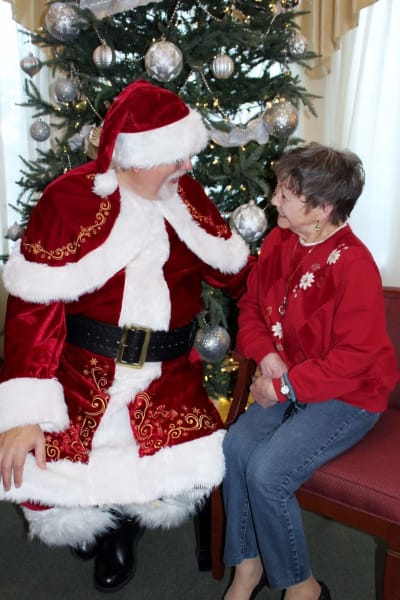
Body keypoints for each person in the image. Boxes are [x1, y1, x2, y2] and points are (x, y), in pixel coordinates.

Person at [0, 80, 253, 593]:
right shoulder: (69, 200)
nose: (186, 167)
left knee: (182, 460)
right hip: (82, 374)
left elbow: (231, 275)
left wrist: (206, 225)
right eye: (175, 157)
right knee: (46, 469)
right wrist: (25, 413)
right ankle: (97, 520)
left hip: (169, 377)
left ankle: (125, 527)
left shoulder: (183, 196)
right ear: (136, 157)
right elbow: (33, 311)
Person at [221, 142, 399, 600]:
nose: (274, 200)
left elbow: (354, 360)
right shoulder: (280, 240)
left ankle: (304, 589)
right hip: (289, 383)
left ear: (322, 208)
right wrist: (266, 355)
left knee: (267, 472)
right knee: (237, 444)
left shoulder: (355, 266)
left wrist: (281, 386)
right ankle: (247, 568)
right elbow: (250, 308)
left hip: (350, 395)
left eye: (284, 193)